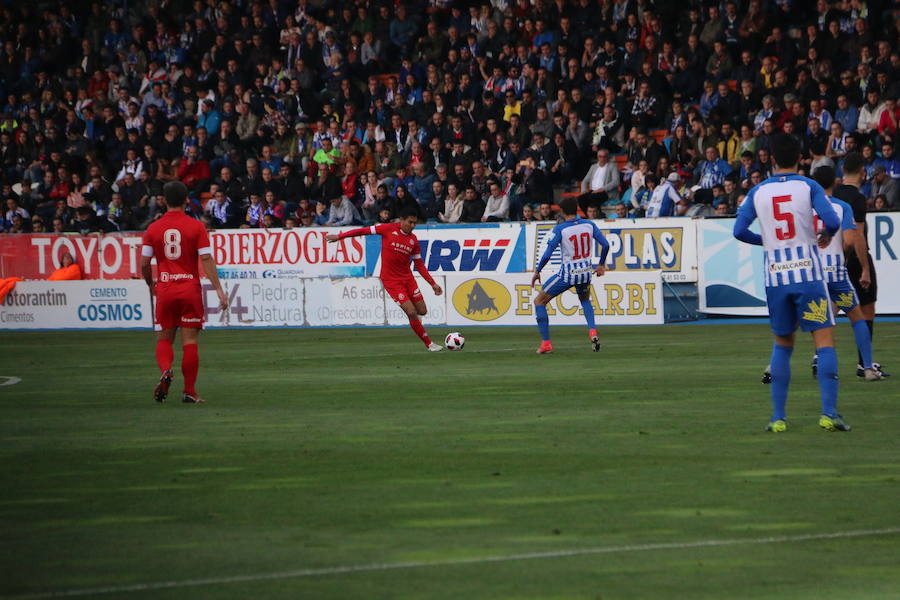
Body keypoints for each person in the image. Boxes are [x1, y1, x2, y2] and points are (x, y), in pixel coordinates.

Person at [732, 134, 847, 433]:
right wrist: (825, 236)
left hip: (776, 278)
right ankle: (829, 414)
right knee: (824, 343)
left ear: (769, 158)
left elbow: (738, 230)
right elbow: (831, 221)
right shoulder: (809, 186)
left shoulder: (757, 191)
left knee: (783, 345)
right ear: (800, 158)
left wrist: (765, 241)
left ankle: (778, 418)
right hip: (808, 275)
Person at [140, 181, 229, 404]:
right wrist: (219, 290)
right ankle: (189, 391)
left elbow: (144, 262)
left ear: (164, 200)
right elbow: (206, 259)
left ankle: (166, 370)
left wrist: (151, 283)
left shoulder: (153, 228)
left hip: (166, 289)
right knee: (189, 342)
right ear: (186, 199)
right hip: (189, 289)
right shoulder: (196, 226)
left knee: (164, 339)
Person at [326, 207, 444, 352]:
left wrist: (433, 284)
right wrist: (340, 236)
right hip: (391, 281)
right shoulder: (387, 229)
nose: (413, 226)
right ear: (401, 220)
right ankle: (429, 344)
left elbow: (419, 265)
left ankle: (416, 325)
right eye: (410, 222)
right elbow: (363, 231)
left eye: (415, 223)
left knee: (422, 311)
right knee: (411, 312)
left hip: (408, 279)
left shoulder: (413, 240)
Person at [809, 166, 882, 381]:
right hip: (836, 274)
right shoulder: (842, 207)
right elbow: (850, 240)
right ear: (835, 182)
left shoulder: (806, 208)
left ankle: (777, 367)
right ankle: (867, 367)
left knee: (810, 318)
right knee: (856, 317)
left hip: (813, 273)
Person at [832, 153, 889, 378]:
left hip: (836, 257)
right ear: (862, 172)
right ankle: (864, 363)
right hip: (855, 257)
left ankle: (819, 355)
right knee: (867, 308)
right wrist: (864, 267)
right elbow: (858, 235)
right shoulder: (857, 198)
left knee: (832, 309)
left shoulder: (834, 194)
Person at [531, 196, 610, 355]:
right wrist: (601, 265)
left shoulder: (560, 229)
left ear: (562, 211)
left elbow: (547, 254)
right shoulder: (589, 224)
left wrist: (538, 271)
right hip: (586, 273)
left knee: (539, 301)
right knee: (585, 300)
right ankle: (593, 332)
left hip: (568, 274)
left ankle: (546, 343)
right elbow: (606, 245)